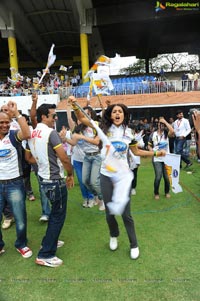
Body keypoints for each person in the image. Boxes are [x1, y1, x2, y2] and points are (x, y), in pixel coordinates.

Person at [69, 96, 166, 260]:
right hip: (106, 175)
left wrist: (155, 153)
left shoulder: (129, 132)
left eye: (120, 111)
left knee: (126, 214)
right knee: (109, 212)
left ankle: (134, 244)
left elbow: (136, 152)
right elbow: (81, 118)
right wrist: (74, 105)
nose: (117, 113)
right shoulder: (102, 128)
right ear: (110, 115)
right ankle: (114, 234)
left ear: (124, 115)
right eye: (114, 111)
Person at [25, 101, 74, 268]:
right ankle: (45, 254)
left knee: (54, 213)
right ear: (44, 116)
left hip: (43, 179)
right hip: (54, 180)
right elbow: (64, 158)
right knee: (58, 216)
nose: (55, 118)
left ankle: (48, 241)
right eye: (53, 115)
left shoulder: (33, 132)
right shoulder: (50, 133)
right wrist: (70, 174)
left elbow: (29, 158)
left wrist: (42, 164)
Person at [0, 100, 33, 258]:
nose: (4, 125)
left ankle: (21, 244)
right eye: (1, 122)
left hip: (14, 183)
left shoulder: (13, 136)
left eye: (7, 122)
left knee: (19, 216)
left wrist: (17, 114)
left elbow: (27, 134)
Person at [148, 117, 174, 200]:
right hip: (156, 158)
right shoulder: (153, 134)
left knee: (166, 177)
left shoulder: (167, 134)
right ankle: (156, 193)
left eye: (163, 125)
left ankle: (167, 192)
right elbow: (149, 145)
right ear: (158, 125)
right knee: (158, 176)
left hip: (167, 158)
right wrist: (152, 151)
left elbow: (172, 131)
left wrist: (165, 122)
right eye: (160, 124)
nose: (162, 126)